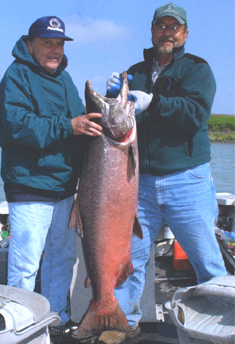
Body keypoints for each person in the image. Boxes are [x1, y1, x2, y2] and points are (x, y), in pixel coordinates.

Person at [106, 3, 227, 338]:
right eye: (162, 26)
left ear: (185, 34)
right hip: (139, 183)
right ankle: (121, 323)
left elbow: (195, 114)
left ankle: (220, 327)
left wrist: (153, 102)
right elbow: (117, 123)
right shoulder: (135, 71)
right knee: (128, 261)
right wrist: (112, 95)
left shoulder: (198, 70)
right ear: (152, 30)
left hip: (187, 180)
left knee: (207, 261)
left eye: (175, 28)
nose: (168, 33)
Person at [0, 16, 102, 337]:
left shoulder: (66, 80)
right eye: (47, 43)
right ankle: (20, 325)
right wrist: (70, 125)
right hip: (30, 187)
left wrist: (100, 122)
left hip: (66, 189)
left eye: (59, 44)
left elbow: (82, 127)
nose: (55, 50)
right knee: (25, 266)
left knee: (62, 257)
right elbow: (18, 127)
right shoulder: (15, 77)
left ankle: (57, 317)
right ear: (30, 44)